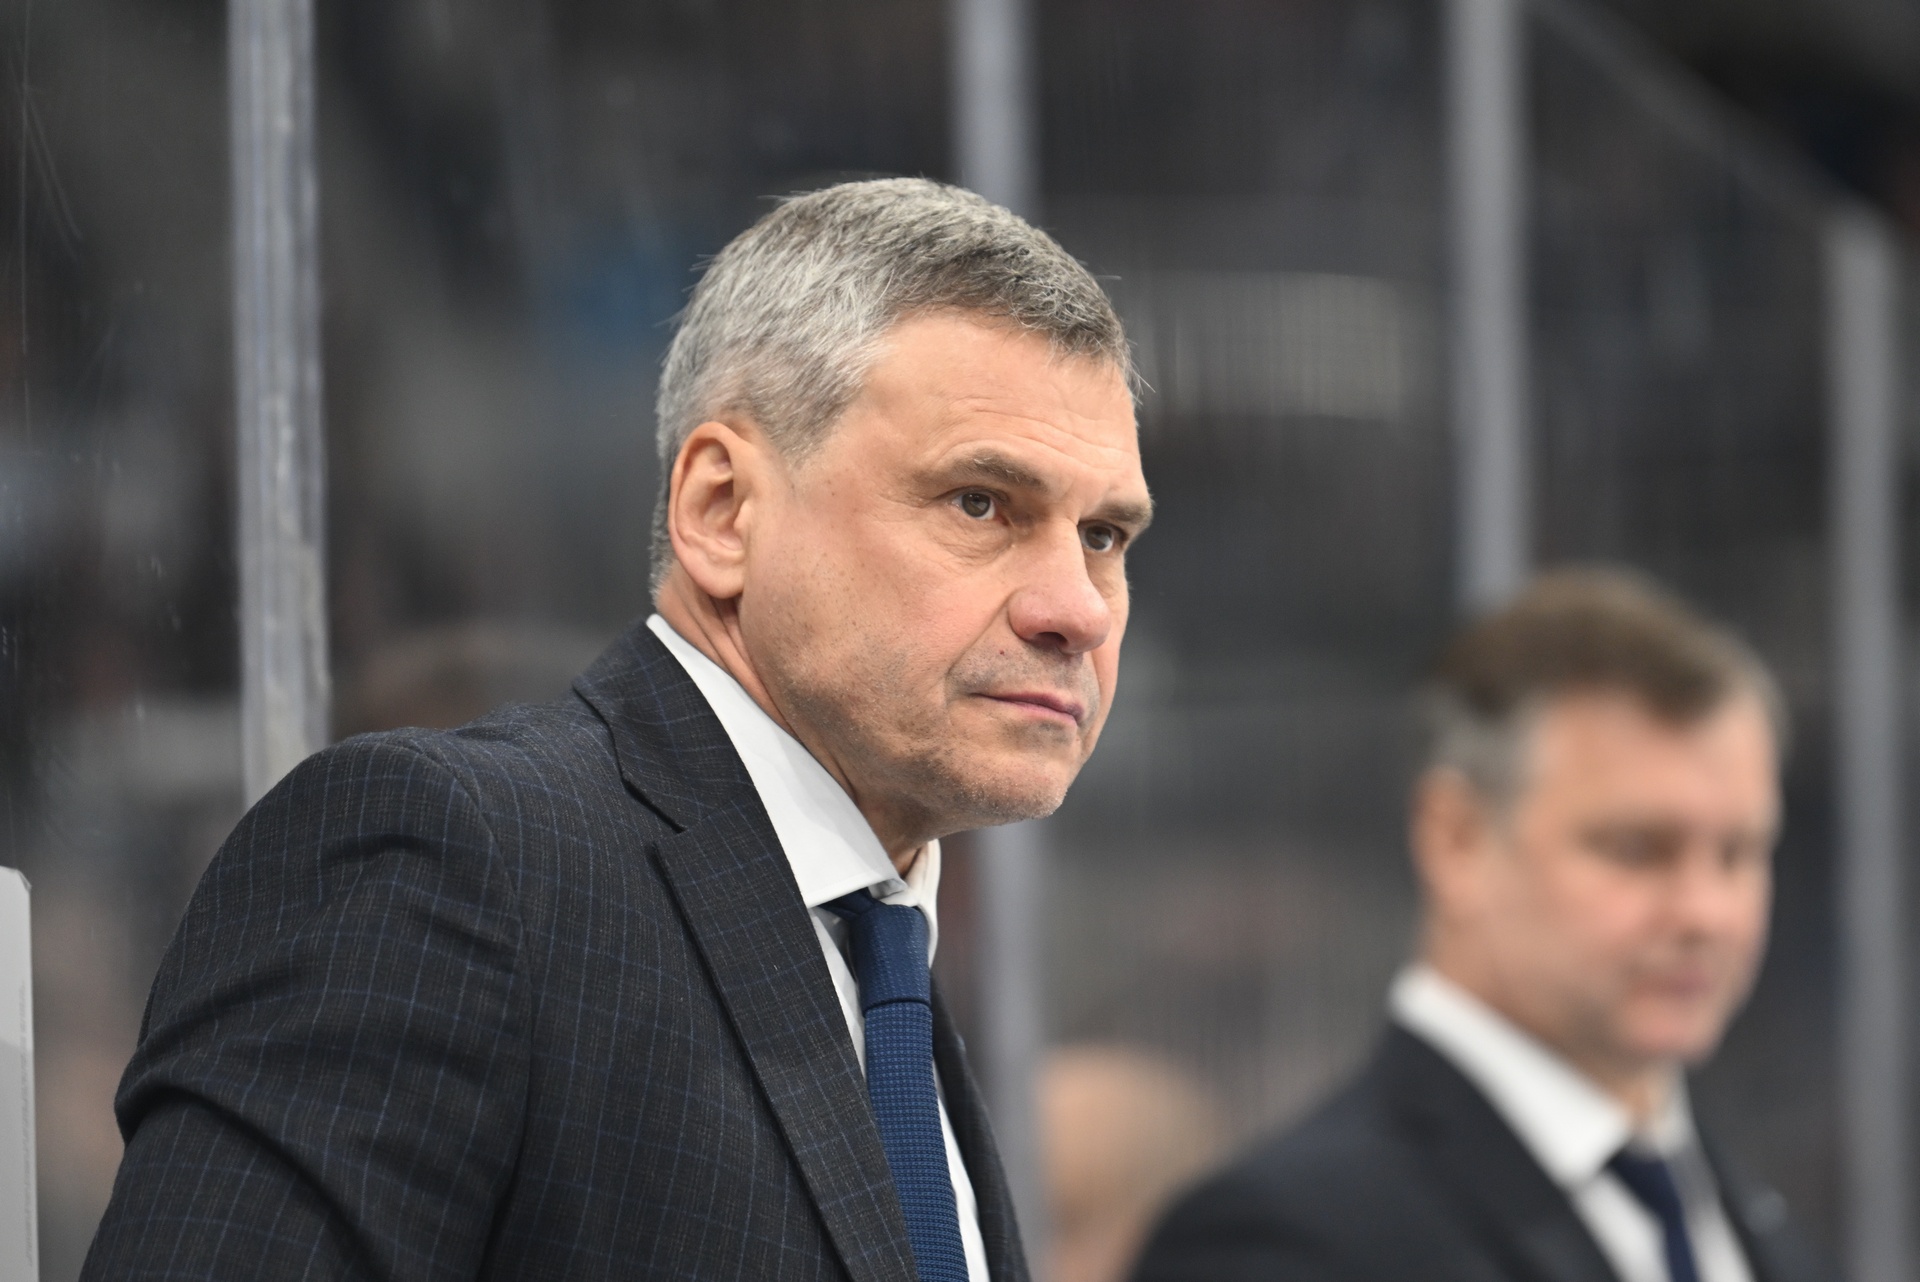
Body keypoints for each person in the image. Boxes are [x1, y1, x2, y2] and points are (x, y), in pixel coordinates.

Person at [83, 178, 1152, 1282]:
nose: (1076, 609)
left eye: (1105, 537)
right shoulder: (446, 860)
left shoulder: (887, 962)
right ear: (721, 512)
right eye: (981, 503)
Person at [1133, 569, 1832, 1282]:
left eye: (1739, 853)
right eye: (1634, 849)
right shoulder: (1279, 1243)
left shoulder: (1758, 1228)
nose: (1705, 912)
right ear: (1456, 839)